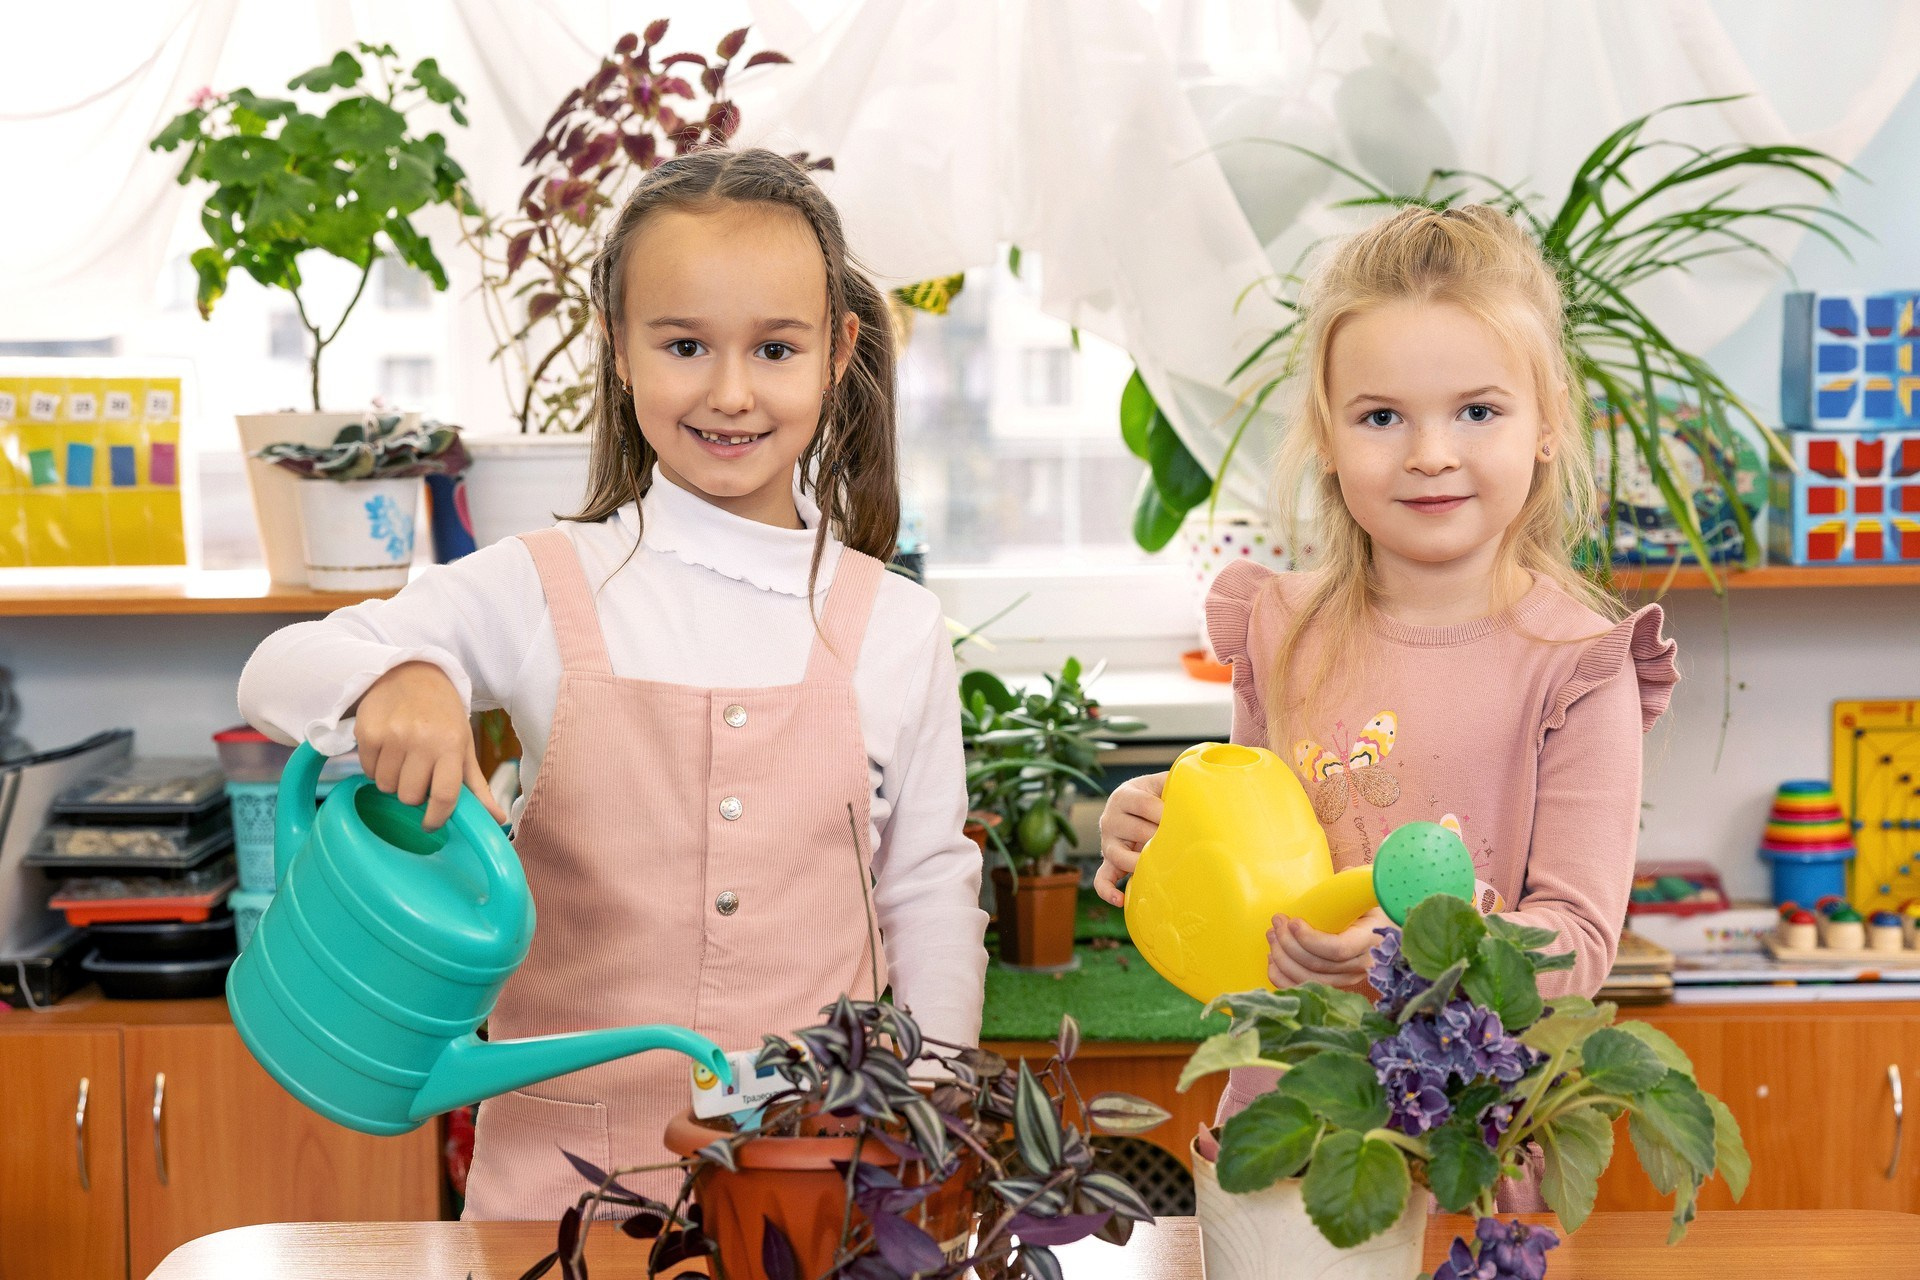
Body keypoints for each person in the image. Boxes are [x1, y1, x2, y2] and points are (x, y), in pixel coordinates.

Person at [239, 147, 987, 1217]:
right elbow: (280, 667)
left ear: (837, 354)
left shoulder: (899, 627)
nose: (730, 391)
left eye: (775, 348)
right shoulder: (541, 584)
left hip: (815, 1181)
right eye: (684, 344)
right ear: (620, 350)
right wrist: (398, 677)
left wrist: (933, 1096)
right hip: (555, 1191)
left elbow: (926, 886)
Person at [1094, 205, 1678, 1201]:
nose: (1430, 452)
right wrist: (1154, 840)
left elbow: (1578, 946)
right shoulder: (1281, 628)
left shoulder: (1578, 665)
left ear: (1548, 427)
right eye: (1381, 416)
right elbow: (1252, 880)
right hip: (1286, 1130)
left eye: (1478, 411)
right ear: (1326, 435)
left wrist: (1419, 954)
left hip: (1469, 1151)